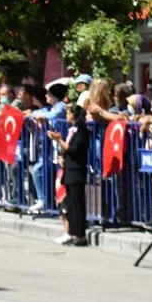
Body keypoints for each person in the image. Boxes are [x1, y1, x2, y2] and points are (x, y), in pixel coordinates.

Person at [48, 104, 90, 246]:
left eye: (68, 113)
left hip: (77, 171)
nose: (66, 115)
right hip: (69, 171)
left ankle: (80, 235)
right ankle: (72, 232)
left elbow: (74, 150)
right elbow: (67, 150)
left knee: (78, 204)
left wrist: (58, 140)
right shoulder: (72, 130)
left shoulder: (82, 131)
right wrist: (61, 154)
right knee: (70, 204)